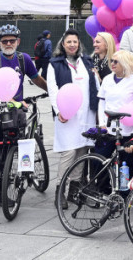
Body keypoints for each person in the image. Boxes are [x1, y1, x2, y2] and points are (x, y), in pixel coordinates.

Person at [0, 24, 47, 216]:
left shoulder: (23, 59)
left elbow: (35, 78)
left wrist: (52, 91)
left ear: (18, 41)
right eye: (5, 41)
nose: (9, 44)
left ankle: (0, 192)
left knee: (8, 152)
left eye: (12, 40)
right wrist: (15, 101)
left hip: (15, 115)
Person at [46, 29, 98, 202]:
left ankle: (74, 191)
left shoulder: (87, 61)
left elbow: (95, 85)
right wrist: (59, 109)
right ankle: (60, 191)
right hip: (66, 114)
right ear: (63, 44)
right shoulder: (55, 63)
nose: (72, 45)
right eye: (69, 42)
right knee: (69, 151)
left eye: (75, 42)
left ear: (79, 44)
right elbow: (52, 89)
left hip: (86, 113)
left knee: (82, 151)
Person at [96, 51, 133, 177]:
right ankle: (102, 188)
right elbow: (101, 102)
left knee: (126, 163)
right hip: (109, 127)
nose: (112, 64)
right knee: (101, 159)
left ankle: (124, 192)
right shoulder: (107, 79)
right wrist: (102, 124)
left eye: (116, 61)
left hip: (128, 129)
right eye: (112, 61)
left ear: (125, 63)